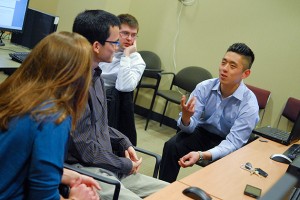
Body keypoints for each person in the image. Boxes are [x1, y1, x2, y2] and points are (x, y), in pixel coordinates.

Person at [67, 9, 168, 200]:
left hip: (107, 165)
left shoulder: (96, 76)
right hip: (85, 170)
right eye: (114, 42)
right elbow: (85, 149)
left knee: (173, 191)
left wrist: (123, 140)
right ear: (96, 46)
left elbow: (99, 125)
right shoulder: (74, 84)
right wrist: (124, 164)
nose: (118, 47)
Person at [0, 32, 100, 199]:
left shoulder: (11, 93)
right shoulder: (53, 116)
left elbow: (12, 160)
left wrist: (64, 174)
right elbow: (42, 197)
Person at [159, 43, 260, 183]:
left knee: (221, 168)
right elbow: (189, 127)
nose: (224, 69)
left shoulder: (249, 104)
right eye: (223, 62)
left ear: (245, 74)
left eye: (232, 66)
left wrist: (201, 155)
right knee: (172, 145)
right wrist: (187, 119)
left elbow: (232, 143)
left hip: (227, 140)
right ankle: (161, 190)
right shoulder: (205, 87)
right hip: (203, 132)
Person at [99, 14, 145, 146]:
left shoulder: (137, 60)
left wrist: (126, 55)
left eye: (133, 35)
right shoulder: (104, 48)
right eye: (125, 33)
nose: (129, 38)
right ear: (114, 32)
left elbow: (124, 87)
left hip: (111, 103)